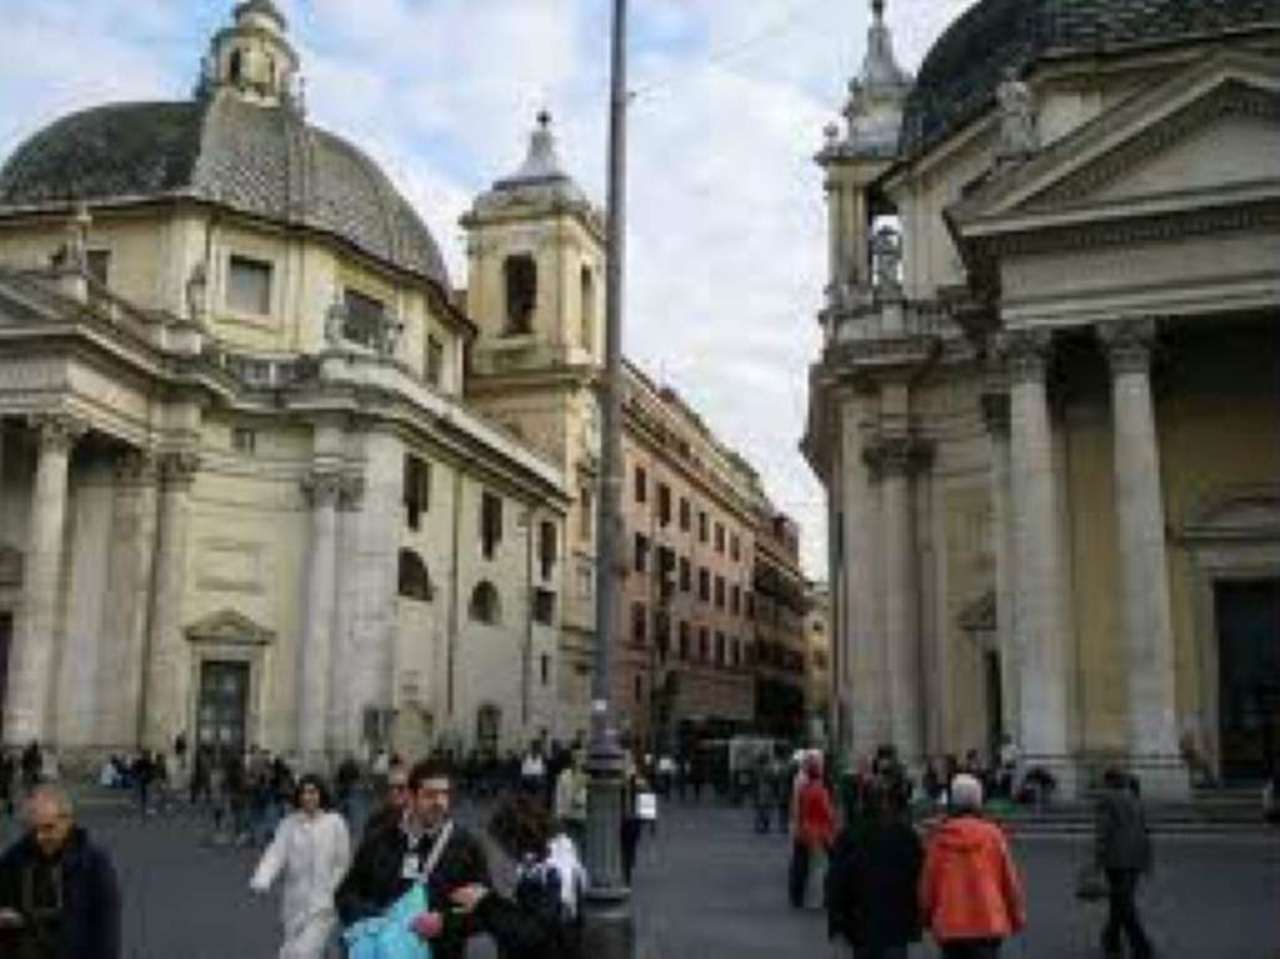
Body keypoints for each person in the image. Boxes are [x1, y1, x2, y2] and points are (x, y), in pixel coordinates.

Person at [336, 758, 491, 959]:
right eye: (430, 795)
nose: (439, 802)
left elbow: (488, 909)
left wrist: (445, 922)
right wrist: (378, 918)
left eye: (445, 794)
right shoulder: (379, 839)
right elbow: (346, 894)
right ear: (411, 796)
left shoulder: (466, 846)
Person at [448, 793, 585, 959]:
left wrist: (484, 901)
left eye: (503, 842)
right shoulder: (556, 861)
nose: (505, 851)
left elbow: (528, 932)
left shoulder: (548, 873)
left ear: (515, 838)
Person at [0, 785, 121, 959]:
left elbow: (107, 934)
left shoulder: (94, 865)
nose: (39, 837)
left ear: (67, 821)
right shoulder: (14, 859)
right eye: (33, 829)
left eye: (48, 828)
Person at [919, 774, 1025, 959]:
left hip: (950, 923)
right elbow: (1008, 880)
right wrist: (1016, 915)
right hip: (988, 922)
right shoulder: (993, 835)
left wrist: (926, 915)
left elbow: (929, 882)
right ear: (978, 801)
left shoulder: (940, 838)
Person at [251, 774, 351, 959]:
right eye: (304, 792)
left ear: (321, 794)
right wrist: (262, 878)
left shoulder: (335, 822)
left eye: (313, 792)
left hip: (323, 904)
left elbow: (342, 862)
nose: (308, 797)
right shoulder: (289, 824)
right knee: (293, 948)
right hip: (294, 902)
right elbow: (275, 854)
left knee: (302, 953)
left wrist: (332, 889)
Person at [827, 780, 923, 959]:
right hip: (896, 921)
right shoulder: (905, 835)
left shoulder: (851, 834)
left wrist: (836, 921)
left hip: (860, 920)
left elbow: (836, 880)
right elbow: (918, 877)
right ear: (888, 803)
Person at [1094, 768, 1154, 959]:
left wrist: (1098, 858)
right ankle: (1111, 941)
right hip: (1136, 858)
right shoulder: (1136, 800)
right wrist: (1147, 860)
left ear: (1108, 782)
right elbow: (1145, 831)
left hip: (1116, 860)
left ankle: (1141, 946)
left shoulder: (1106, 800)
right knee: (1119, 901)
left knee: (1124, 904)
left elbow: (1103, 831)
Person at [789, 753, 836, 909]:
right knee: (821, 866)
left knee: (808, 864)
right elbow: (828, 812)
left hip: (806, 828)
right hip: (820, 831)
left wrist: (798, 826)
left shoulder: (805, 788)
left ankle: (804, 898)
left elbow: (799, 809)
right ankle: (821, 899)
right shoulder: (820, 790)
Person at [363, 762, 411, 838]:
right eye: (390, 787)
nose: (394, 792)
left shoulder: (415, 820)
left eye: (400, 788)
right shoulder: (375, 820)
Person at [552, 751, 587, 852]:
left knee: (583, 843)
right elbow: (559, 795)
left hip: (582, 815)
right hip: (568, 815)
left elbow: (588, 795)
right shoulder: (563, 776)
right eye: (576, 759)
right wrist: (559, 814)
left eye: (581, 760)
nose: (578, 762)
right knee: (569, 843)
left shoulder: (586, 777)